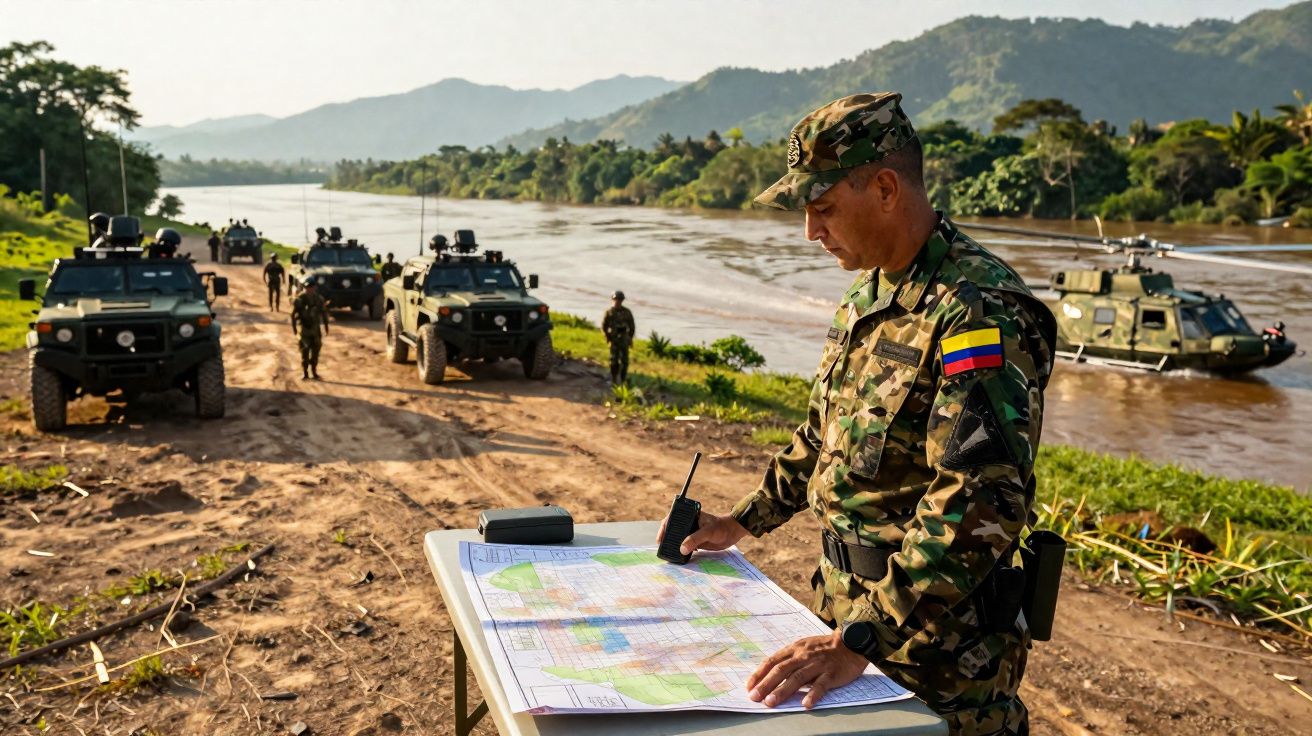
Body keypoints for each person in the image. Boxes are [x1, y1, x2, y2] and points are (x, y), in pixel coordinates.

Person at [660, 93, 1055, 736]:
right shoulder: (867, 294)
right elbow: (825, 437)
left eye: (822, 209)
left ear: (885, 189)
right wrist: (741, 520)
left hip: (938, 655)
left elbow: (979, 500)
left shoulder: (977, 310)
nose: (810, 232)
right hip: (847, 623)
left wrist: (863, 637)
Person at [291, 277, 330, 380]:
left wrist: (326, 327)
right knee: (305, 351)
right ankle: (305, 373)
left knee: (316, 351)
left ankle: (314, 371)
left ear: (315, 287)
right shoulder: (300, 299)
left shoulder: (319, 299)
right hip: (304, 330)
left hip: (315, 330)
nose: (309, 289)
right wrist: (294, 329)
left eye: (311, 287)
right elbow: (293, 314)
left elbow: (324, 314)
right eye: (307, 287)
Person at [601, 290, 635, 384]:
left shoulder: (627, 312)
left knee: (625, 361)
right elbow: (604, 326)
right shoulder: (609, 312)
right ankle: (614, 379)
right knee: (613, 361)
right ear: (613, 299)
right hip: (613, 339)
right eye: (616, 299)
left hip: (624, 339)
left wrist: (630, 338)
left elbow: (632, 326)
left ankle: (623, 380)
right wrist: (607, 337)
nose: (618, 301)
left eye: (620, 299)